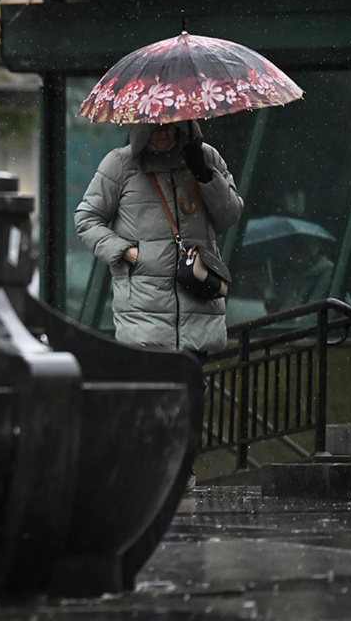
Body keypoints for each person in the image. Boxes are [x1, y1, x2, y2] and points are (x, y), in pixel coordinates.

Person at [75, 121, 244, 491]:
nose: (163, 133)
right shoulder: (120, 166)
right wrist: (126, 252)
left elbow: (230, 215)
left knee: (190, 390)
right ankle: (158, 464)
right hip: (144, 307)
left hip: (197, 300)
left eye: (170, 125)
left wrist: (205, 174)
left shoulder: (206, 157)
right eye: (155, 127)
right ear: (141, 126)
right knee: (156, 390)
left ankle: (179, 466)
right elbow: (86, 219)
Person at [263, 237, 334, 313]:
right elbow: (284, 307)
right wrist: (272, 298)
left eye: (296, 253)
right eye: (290, 253)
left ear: (310, 252)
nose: (292, 258)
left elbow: (312, 314)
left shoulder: (326, 275)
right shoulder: (292, 278)